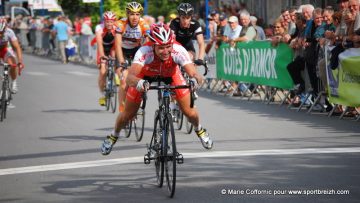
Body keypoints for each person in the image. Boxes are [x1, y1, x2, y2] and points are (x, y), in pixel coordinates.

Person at [100, 23, 213, 155]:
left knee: (190, 113)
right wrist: (138, 82)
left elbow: (194, 73)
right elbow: (130, 77)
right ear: (153, 45)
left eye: (168, 47)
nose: (165, 51)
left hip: (170, 74)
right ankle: (114, 136)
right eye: (161, 48)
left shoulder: (178, 50)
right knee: (127, 115)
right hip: (145, 76)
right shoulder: (144, 51)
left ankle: (199, 130)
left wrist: (195, 79)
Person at [114, 2, 150, 112]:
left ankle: (139, 100)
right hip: (123, 52)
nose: (135, 17)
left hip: (136, 51)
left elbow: (147, 44)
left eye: (137, 14)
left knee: (140, 77)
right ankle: (122, 107)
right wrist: (121, 61)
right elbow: (118, 45)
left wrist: (145, 61)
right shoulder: (120, 24)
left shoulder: (144, 24)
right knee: (124, 81)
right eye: (132, 14)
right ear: (127, 14)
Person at [95, 11, 118, 106]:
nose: (109, 24)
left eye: (111, 21)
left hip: (112, 47)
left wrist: (114, 57)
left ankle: (115, 76)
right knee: (103, 71)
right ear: (104, 22)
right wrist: (102, 56)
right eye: (107, 21)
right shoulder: (99, 28)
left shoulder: (117, 28)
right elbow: (99, 44)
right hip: (102, 49)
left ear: (114, 22)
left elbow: (117, 44)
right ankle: (103, 94)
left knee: (115, 62)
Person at [0, 19, 24, 94]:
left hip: (4, 49)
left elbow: (17, 47)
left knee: (13, 64)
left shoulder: (9, 32)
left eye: (1, 32)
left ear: (5, 28)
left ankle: (14, 82)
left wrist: (20, 61)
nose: (0, 34)